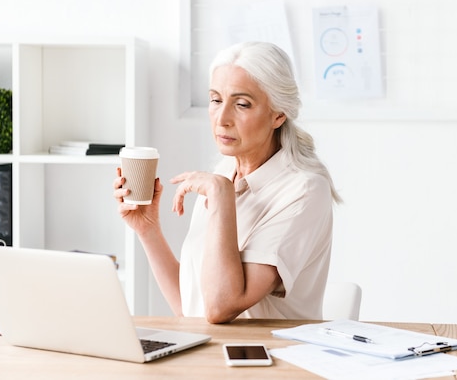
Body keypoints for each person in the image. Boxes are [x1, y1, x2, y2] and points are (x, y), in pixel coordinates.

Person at [114, 41, 342, 323]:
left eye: (242, 104)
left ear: (278, 115)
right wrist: (148, 231)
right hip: (208, 355)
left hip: (269, 360)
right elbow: (192, 308)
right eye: (215, 100)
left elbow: (221, 307)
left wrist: (221, 194)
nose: (222, 119)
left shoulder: (304, 191)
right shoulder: (223, 173)